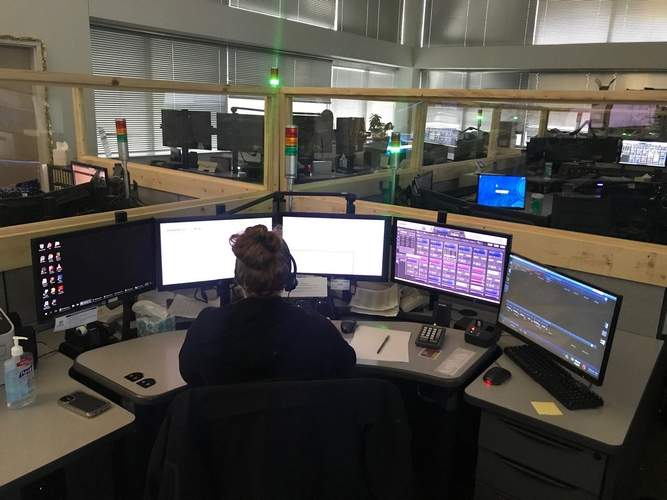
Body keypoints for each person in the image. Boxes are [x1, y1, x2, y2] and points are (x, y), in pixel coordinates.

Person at [179, 225, 356, 386]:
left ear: (238, 277)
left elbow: (189, 374)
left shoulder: (206, 326)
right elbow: (346, 364)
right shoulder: (316, 327)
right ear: (287, 278)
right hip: (294, 421)